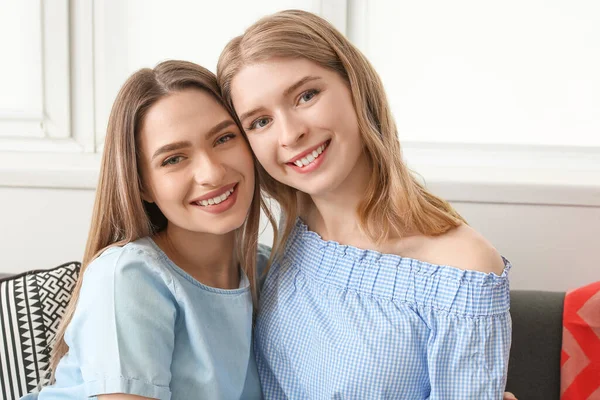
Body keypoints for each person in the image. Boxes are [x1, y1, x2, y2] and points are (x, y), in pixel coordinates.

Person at [218, 9, 514, 399]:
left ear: (355, 86)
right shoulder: (290, 229)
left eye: (306, 95)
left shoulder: (462, 268)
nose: (290, 134)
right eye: (259, 122)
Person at [22, 60, 271, 400]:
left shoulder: (268, 270)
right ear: (143, 187)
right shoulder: (130, 276)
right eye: (173, 159)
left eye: (224, 138)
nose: (211, 173)